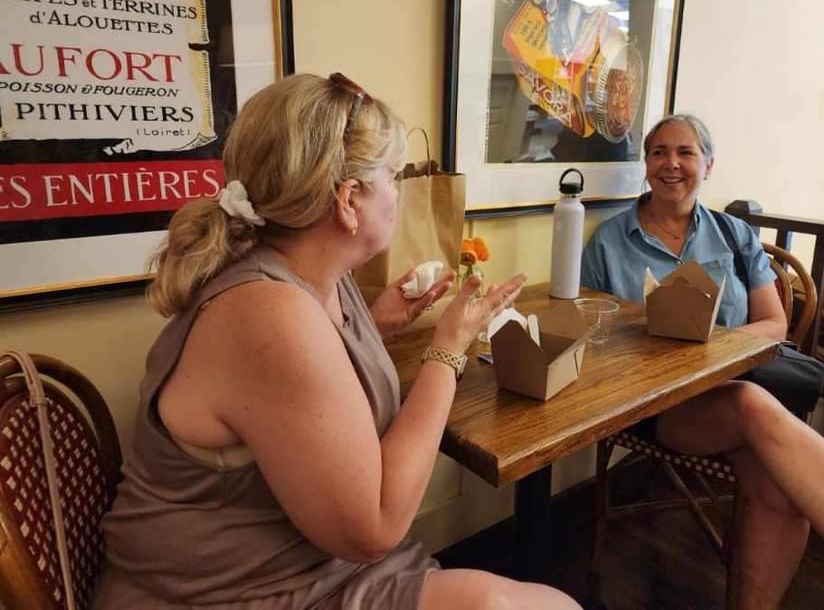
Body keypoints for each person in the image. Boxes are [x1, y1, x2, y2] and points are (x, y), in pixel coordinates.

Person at [94, 73, 581, 610]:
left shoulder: (316, 276)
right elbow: (375, 528)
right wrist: (449, 347)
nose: (398, 192)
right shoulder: (268, 313)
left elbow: (301, 388)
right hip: (234, 592)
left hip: (310, 561)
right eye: (393, 176)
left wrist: (375, 324)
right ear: (349, 200)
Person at [581, 114, 824, 610]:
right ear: (646, 164)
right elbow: (593, 331)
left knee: (778, 480)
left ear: (708, 165)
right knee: (754, 407)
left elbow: (774, 324)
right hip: (654, 404)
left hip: (729, 388)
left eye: (686, 152)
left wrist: (710, 349)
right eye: (659, 152)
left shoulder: (733, 234)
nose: (671, 163)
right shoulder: (608, 241)